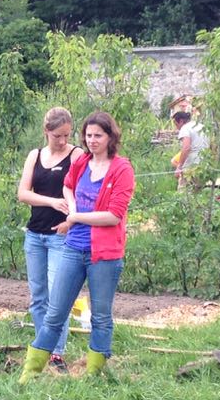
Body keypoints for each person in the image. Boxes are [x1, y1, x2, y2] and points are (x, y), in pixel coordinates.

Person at [20, 112, 135, 380]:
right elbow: (69, 187)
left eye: (98, 135)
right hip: (73, 247)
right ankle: (31, 372)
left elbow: (113, 216)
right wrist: (72, 209)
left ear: (110, 137)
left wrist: (75, 217)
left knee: (101, 317)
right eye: (89, 135)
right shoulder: (82, 162)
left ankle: (94, 373)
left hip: (104, 254)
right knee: (54, 313)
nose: (92, 140)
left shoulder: (121, 169)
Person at [18, 107, 81, 368]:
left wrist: (70, 219)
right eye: (57, 136)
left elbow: (82, 192)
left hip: (60, 236)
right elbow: (23, 193)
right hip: (35, 234)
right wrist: (52, 202)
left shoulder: (77, 155)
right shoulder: (35, 155)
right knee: (38, 295)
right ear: (46, 132)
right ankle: (41, 346)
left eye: (67, 135)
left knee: (59, 295)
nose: (63, 141)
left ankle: (56, 351)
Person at [170, 108, 207, 185]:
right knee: (198, 191)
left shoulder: (185, 128)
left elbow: (186, 147)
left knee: (184, 192)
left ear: (181, 121)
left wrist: (179, 167)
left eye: (176, 124)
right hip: (204, 164)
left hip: (191, 165)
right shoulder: (202, 127)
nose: (177, 128)